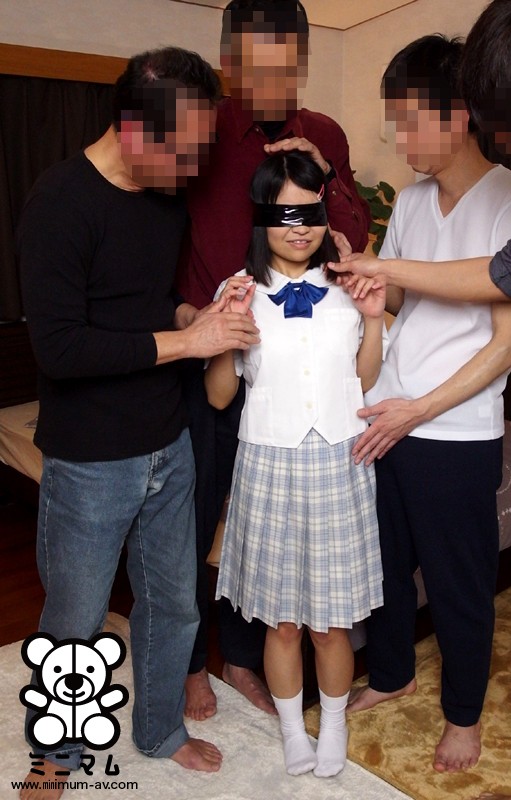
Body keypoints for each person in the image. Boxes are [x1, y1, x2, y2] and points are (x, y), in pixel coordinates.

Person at [331, 1, 511, 797]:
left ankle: (470, 715)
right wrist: (376, 273)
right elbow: (489, 276)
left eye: (504, 111)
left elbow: (506, 337)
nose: (497, 129)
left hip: (484, 437)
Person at [17, 47, 260, 800]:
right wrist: (188, 343)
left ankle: (159, 730)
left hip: (168, 442)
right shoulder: (59, 202)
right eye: (183, 153)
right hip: (90, 459)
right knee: (77, 617)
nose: (193, 170)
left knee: (174, 602)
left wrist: (196, 317)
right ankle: (55, 757)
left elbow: (146, 306)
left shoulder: (163, 201)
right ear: (132, 129)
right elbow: (60, 349)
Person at [337, 34, 511, 774]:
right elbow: (403, 300)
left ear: (457, 114)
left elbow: (508, 344)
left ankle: (464, 715)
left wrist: (419, 410)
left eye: (407, 119)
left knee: (458, 581)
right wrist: (367, 289)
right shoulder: (415, 200)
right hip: (386, 412)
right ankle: (393, 672)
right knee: (385, 565)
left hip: (453, 427)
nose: (399, 137)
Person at [177, 0, 370, 722]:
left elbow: (351, 242)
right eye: (256, 68)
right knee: (196, 517)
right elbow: (168, 230)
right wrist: (186, 318)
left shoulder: (324, 133)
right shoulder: (203, 132)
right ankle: (192, 665)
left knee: (270, 527)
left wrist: (328, 173)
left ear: (303, 62)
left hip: (299, 361)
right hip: (213, 354)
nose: (273, 84)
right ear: (229, 63)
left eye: (287, 68)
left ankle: (245, 659)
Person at [204, 149, 385, 777]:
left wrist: (372, 321)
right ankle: (290, 729)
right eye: (284, 214)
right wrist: (225, 332)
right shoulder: (240, 292)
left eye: (309, 213)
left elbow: (365, 380)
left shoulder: (347, 287)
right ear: (261, 218)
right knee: (282, 621)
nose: (299, 227)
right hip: (268, 462)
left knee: (330, 622)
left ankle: (332, 722)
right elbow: (219, 397)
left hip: (339, 460)